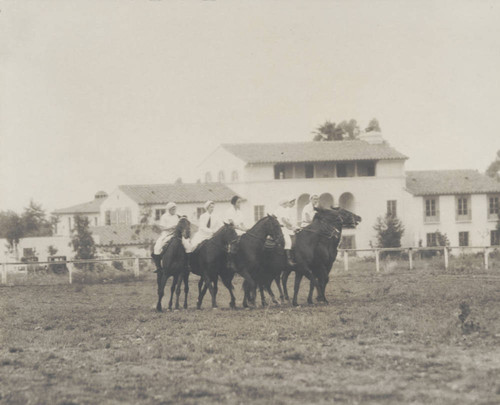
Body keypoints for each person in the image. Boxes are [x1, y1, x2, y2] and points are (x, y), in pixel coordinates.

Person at [151, 202, 180, 272]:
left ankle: (187, 264)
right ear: (169, 209)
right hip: (166, 234)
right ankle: (158, 267)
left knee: (187, 245)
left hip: (175, 234)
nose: (174, 210)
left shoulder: (177, 216)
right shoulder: (164, 216)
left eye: (175, 209)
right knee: (157, 247)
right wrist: (170, 228)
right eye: (173, 209)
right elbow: (162, 228)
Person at [275, 198, 298, 266]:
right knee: (288, 242)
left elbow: (286, 223)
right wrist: (293, 226)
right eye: (286, 203)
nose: (287, 204)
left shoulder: (283, 210)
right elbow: (284, 220)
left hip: (283, 227)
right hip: (280, 228)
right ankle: (288, 260)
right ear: (283, 204)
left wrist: (292, 228)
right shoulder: (281, 209)